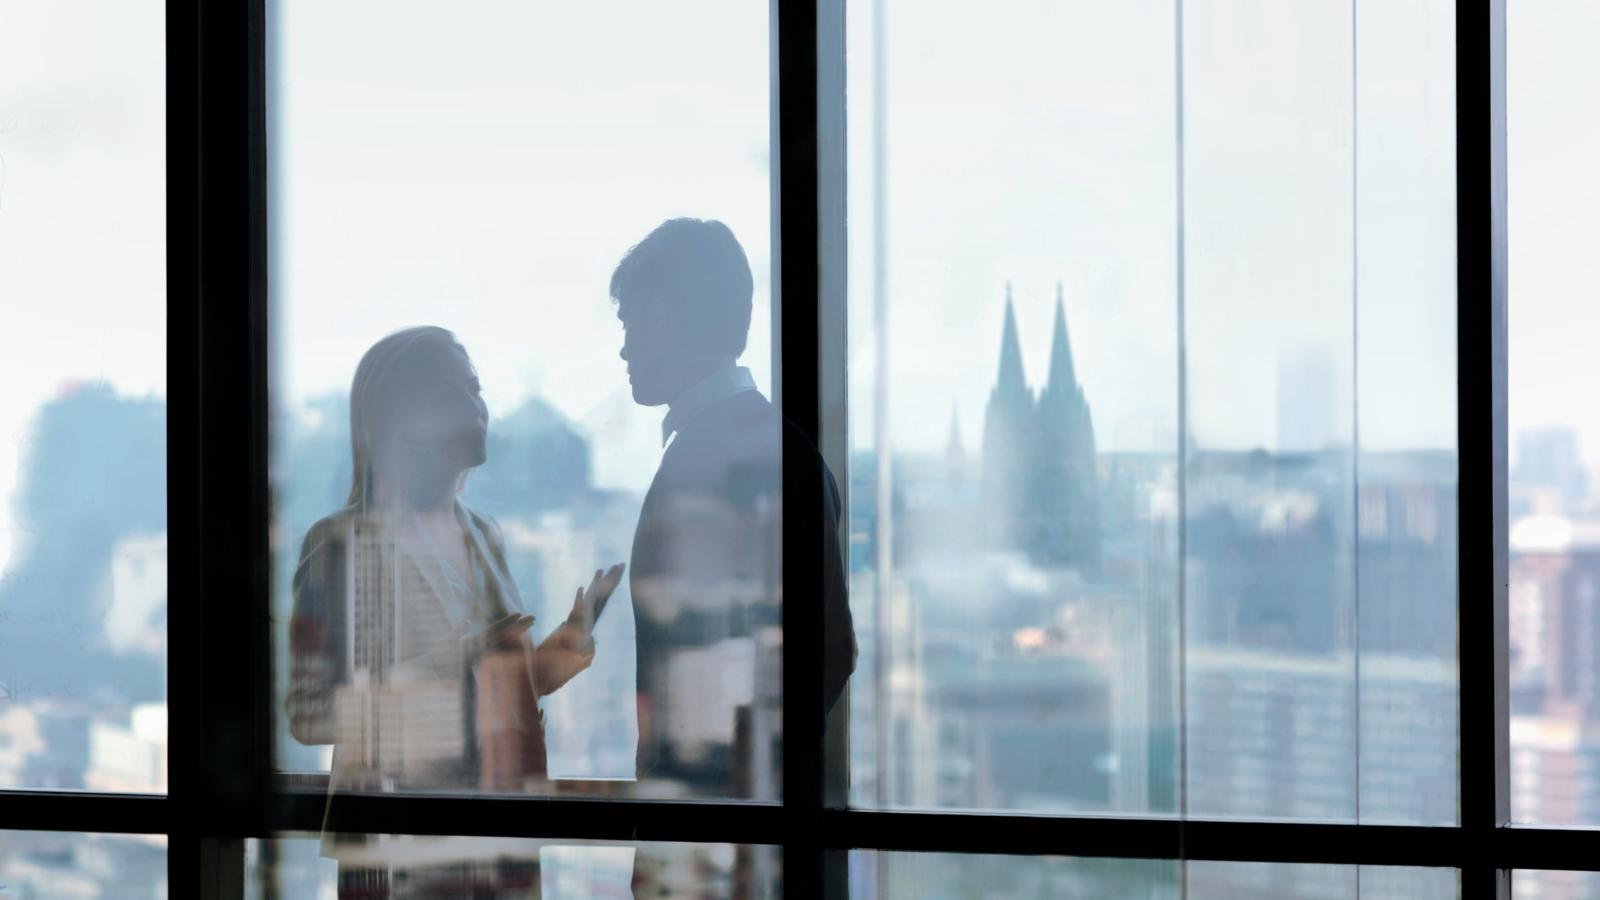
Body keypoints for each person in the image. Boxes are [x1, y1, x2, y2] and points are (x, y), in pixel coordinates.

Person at [285, 326, 621, 890]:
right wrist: (462, 667)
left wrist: (558, 654)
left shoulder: (485, 536)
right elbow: (308, 715)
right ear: (400, 418)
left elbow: (484, 692)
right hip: (398, 859)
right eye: (453, 393)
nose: (478, 407)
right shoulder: (341, 544)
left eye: (476, 388)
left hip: (500, 844)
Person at [612, 218, 855, 798]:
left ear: (666, 319)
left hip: (712, 829)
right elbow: (834, 650)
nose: (624, 348)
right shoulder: (787, 447)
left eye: (631, 322)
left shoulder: (711, 460)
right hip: (761, 813)